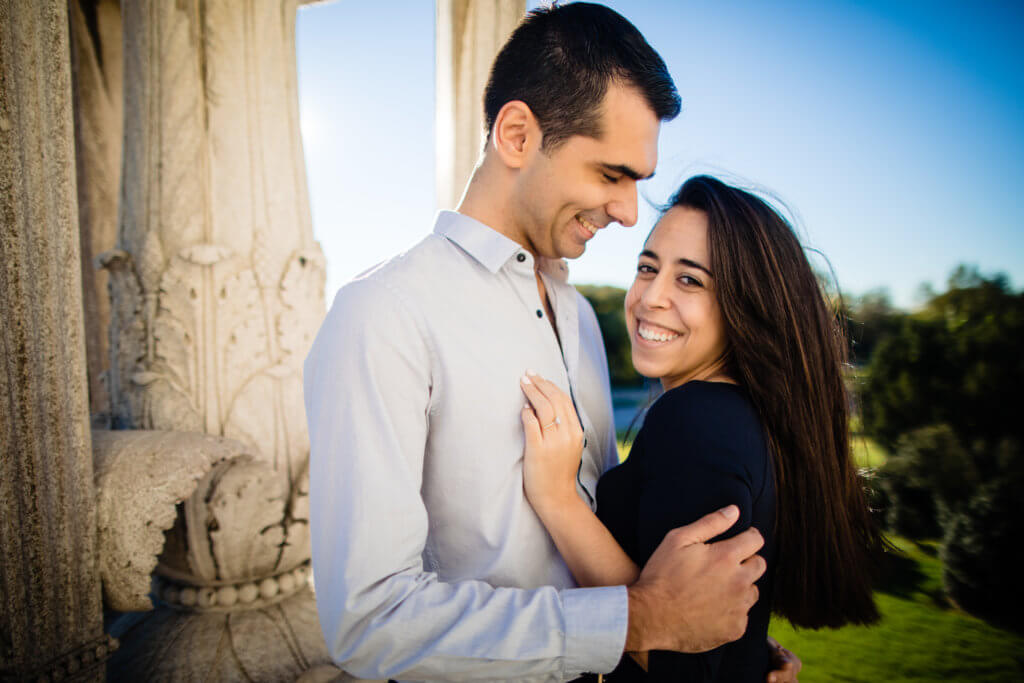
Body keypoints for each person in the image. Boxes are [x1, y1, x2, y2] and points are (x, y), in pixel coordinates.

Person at [304, 4, 800, 681]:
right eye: (610, 174)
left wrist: (721, 650)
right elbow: (369, 620)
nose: (629, 212)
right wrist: (645, 619)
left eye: (636, 183)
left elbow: (611, 530)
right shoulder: (385, 315)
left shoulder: (580, 318)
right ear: (516, 135)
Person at [520, 175, 886, 681]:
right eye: (648, 268)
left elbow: (681, 658)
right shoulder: (745, 416)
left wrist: (558, 500)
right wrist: (749, 656)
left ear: (745, 304)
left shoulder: (696, 420)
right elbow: (699, 618)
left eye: (689, 280)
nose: (651, 297)